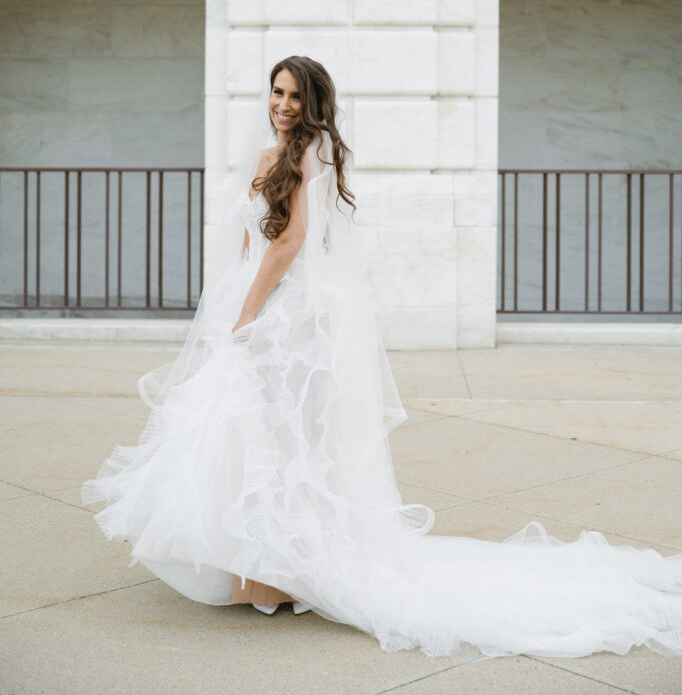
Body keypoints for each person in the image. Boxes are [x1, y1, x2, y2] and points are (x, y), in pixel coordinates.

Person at [82, 55, 682, 662]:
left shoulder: (308, 154)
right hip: (257, 302)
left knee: (277, 437)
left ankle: (279, 573)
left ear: (313, 103)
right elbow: (250, 237)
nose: (283, 105)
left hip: (281, 316)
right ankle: (261, 572)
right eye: (276, 93)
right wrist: (230, 301)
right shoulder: (275, 157)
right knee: (256, 436)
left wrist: (248, 314)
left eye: (295, 96)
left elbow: (290, 242)